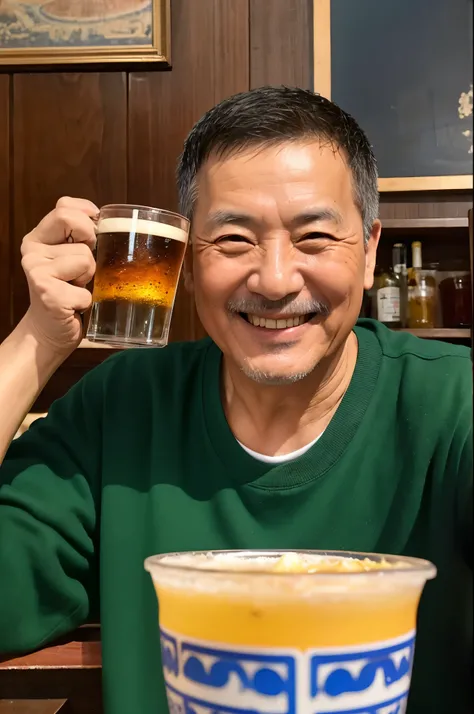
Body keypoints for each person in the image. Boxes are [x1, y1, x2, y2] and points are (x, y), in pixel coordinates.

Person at [0, 86, 471, 714]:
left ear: (369, 252)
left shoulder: (452, 402)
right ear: (188, 262)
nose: (275, 279)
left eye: (314, 237)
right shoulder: (124, 407)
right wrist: (35, 338)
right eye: (233, 240)